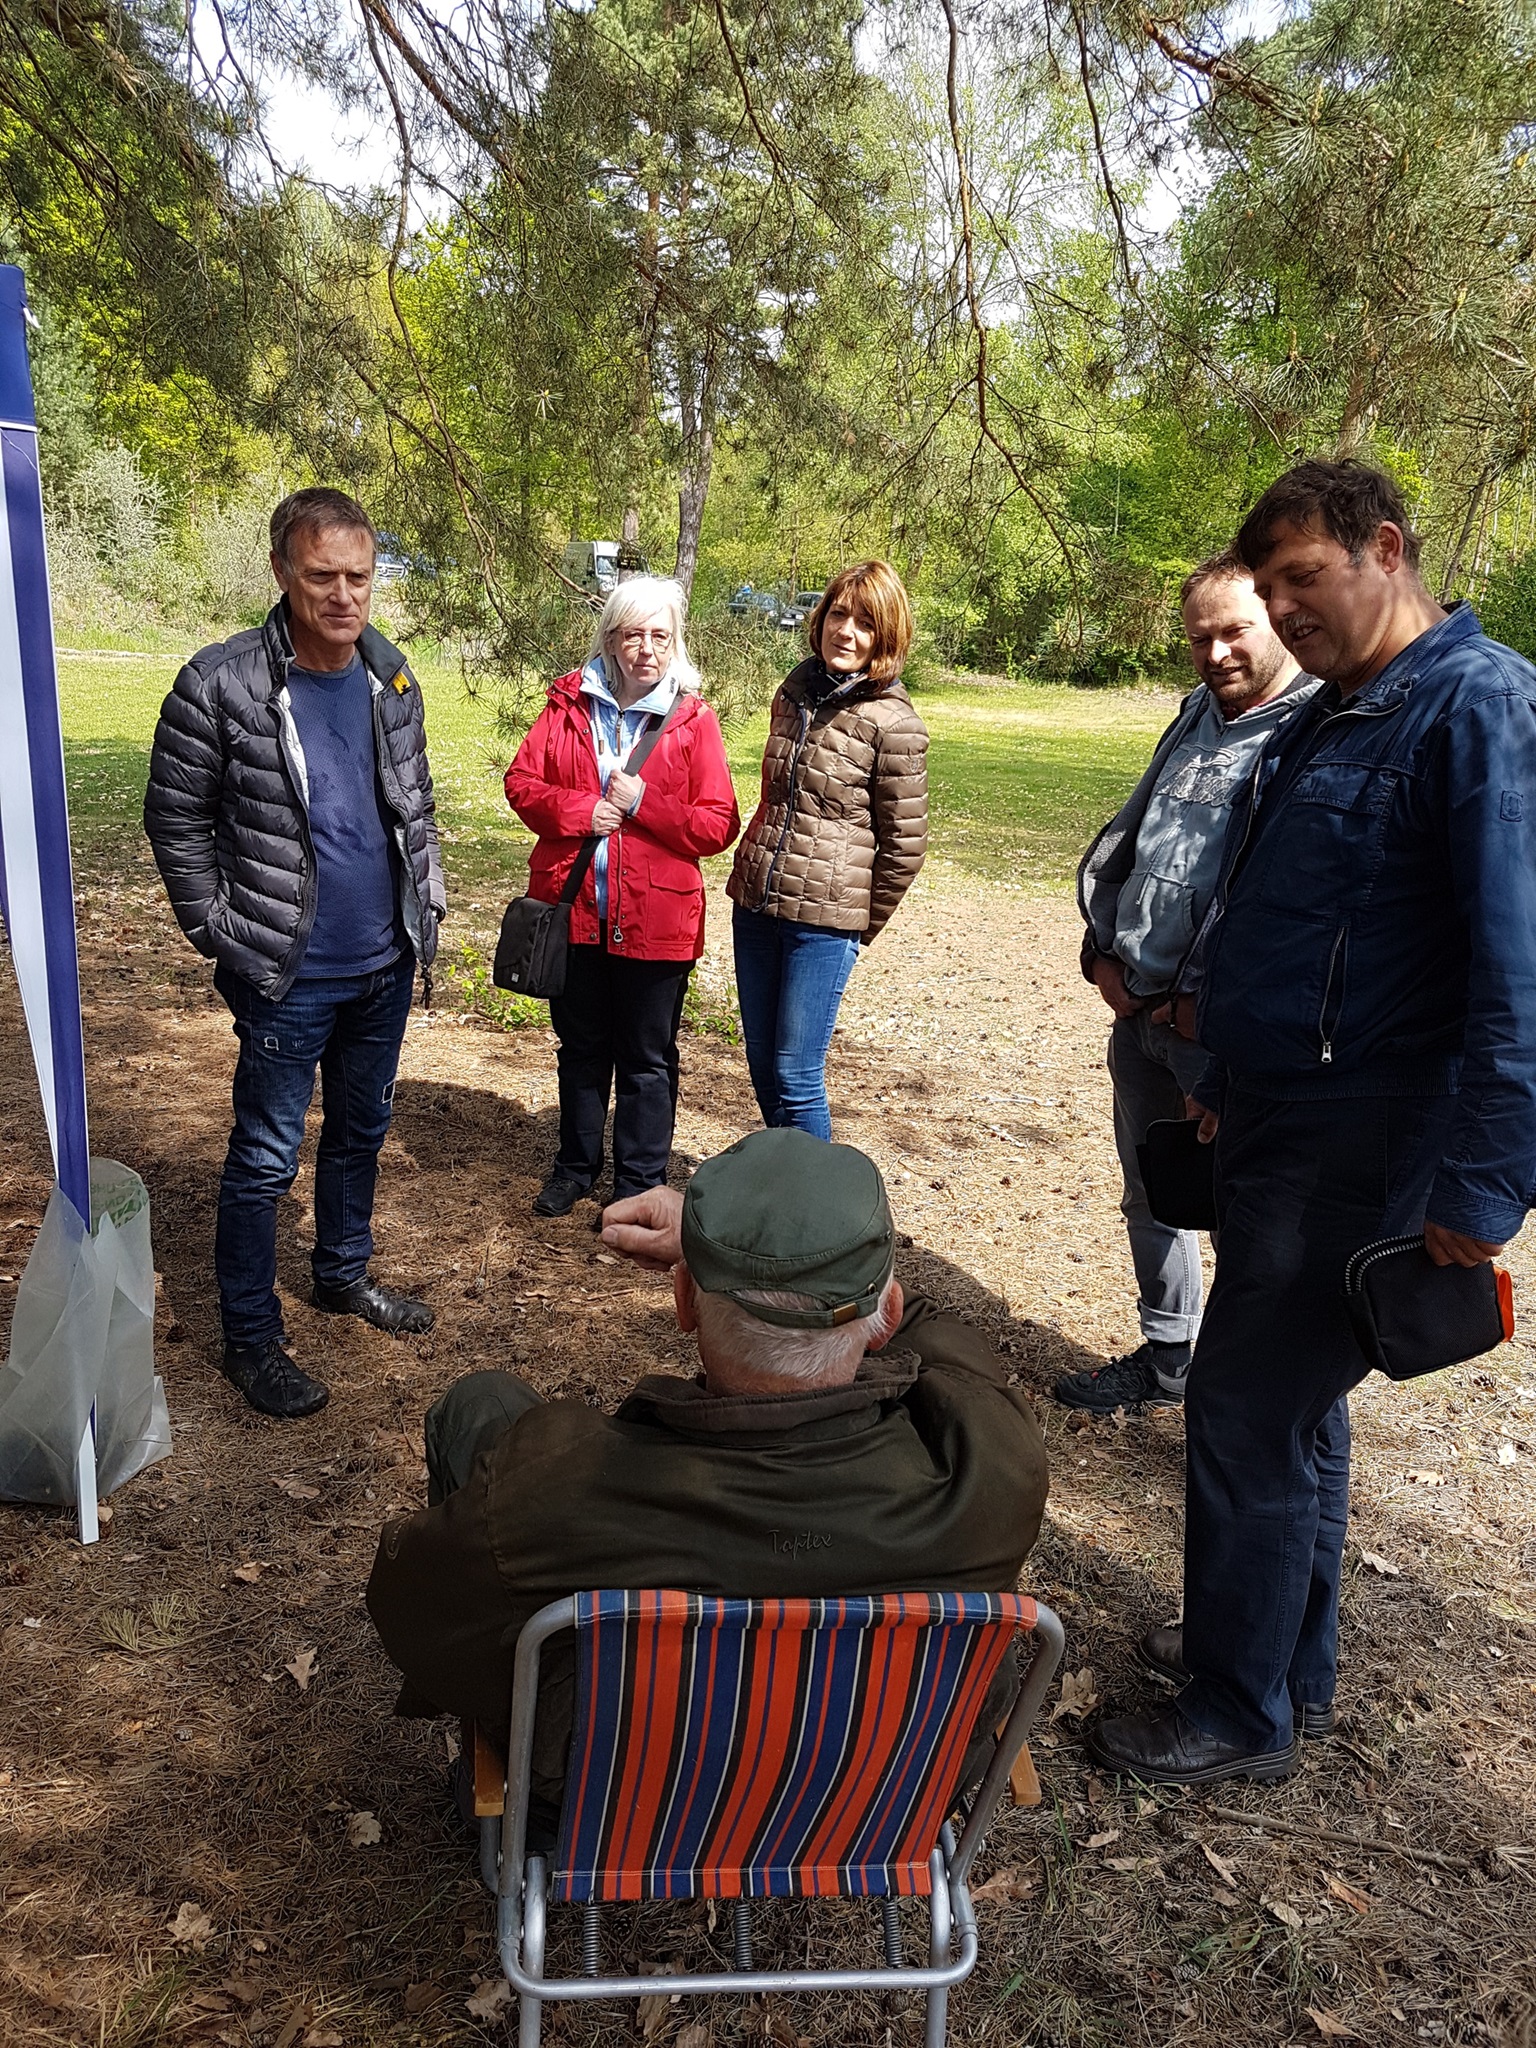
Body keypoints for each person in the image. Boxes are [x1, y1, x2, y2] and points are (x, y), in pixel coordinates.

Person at [1088, 459, 1536, 1787]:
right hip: (1278, 1116)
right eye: (1268, 586)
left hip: (1370, 1131)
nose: (1283, 610)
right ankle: (1290, 1665)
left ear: (1386, 548)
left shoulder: (1481, 708)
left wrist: (1485, 1184)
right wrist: (1225, 1075)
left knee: (1243, 1406)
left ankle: (1239, 1709)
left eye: (1302, 578)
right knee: (1293, 1408)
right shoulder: (1336, 714)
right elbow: (1289, 919)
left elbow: (1519, 971)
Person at [366, 1128, 1049, 1807]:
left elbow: (413, 1612)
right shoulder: (993, 1465)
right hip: (883, 1790)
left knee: (482, 1403)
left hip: (619, 1799)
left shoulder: (549, 1492)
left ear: (684, 1302)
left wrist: (716, 1257)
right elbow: (939, 1337)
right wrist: (792, 1269)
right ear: (886, 1313)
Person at [143, 488, 444, 1422]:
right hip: (286, 974)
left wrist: (425, 907)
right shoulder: (220, 684)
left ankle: (341, 1275)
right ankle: (250, 1336)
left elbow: (415, 804)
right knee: (267, 1158)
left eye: (359, 576)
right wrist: (217, 928)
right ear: (282, 572)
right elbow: (175, 819)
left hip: (382, 965)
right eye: (322, 577)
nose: (344, 596)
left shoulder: (391, 677)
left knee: (360, 1133)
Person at [1059, 553, 1319, 1414]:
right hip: (1139, 1011)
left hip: (1224, 1037)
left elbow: (1291, 906)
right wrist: (1101, 955)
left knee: (1248, 1216)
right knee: (1155, 1190)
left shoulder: (1312, 730)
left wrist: (1211, 1007)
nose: (1216, 653)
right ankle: (1171, 1357)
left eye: (1234, 631)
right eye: (1199, 638)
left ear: (1275, 617)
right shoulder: (1193, 716)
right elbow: (1136, 841)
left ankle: (1243, 1395)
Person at [504, 577, 738, 1218]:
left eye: (660, 635)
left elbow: (718, 823)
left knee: (646, 1059)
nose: (647, 649)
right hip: (575, 912)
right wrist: (582, 811)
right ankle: (574, 1168)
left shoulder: (692, 721)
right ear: (610, 639)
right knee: (580, 1050)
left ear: (675, 642)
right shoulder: (567, 706)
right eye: (633, 635)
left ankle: (638, 1183)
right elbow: (521, 782)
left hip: (658, 921)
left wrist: (644, 804)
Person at [728, 561, 928, 1140]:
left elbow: (905, 847)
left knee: (796, 1074)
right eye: (838, 614)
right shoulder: (795, 692)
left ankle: (817, 1196)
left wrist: (857, 924)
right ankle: (785, 1179)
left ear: (886, 637)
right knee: (763, 1065)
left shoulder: (895, 724)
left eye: (865, 623)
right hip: (756, 904)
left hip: (824, 923)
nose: (846, 631)